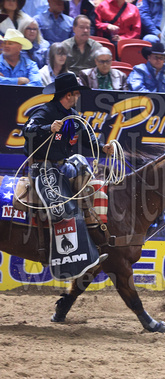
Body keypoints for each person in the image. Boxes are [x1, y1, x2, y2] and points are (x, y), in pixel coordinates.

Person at [22, 73, 114, 275]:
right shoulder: (44, 112)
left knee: (89, 194)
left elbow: (89, 142)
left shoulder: (74, 117)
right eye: (76, 93)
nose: (78, 96)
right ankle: (70, 259)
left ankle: (91, 248)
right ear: (68, 94)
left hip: (63, 167)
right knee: (66, 208)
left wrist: (102, 148)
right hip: (43, 168)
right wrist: (48, 128)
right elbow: (27, 131)